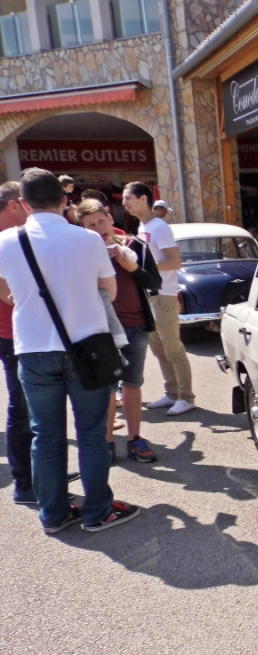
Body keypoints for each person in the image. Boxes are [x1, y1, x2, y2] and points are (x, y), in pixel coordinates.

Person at [0, 168, 139, 533]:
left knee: (45, 434)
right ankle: (97, 511)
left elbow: (6, 292)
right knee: (92, 432)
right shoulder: (87, 241)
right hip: (86, 347)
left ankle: (54, 513)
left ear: (25, 204)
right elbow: (108, 290)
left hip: (32, 349)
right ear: (65, 201)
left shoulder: (6, 241)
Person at [77, 199, 162, 465]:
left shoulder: (135, 245)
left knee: (132, 383)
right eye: (90, 225)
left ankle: (135, 439)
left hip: (136, 324)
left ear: (110, 219)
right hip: (100, 329)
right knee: (107, 387)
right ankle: (108, 442)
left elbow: (155, 283)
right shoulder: (81, 251)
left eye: (101, 221)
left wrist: (132, 268)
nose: (99, 228)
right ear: (83, 230)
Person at [122, 181, 196, 416]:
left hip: (164, 295)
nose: (124, 203)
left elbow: (175, 261)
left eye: (128, 198)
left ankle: (186, 397)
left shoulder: (159, 227)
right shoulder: (143, 226)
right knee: (160, 350)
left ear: (143, 199)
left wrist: (141, 271)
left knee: (173, 349)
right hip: (150, 296)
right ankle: (172, 393)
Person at [0, 181, 35, 504]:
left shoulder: (16, 240)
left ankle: (38, 472)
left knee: (33, 410)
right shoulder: (2, 242)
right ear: (14, 205)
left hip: (23, 334)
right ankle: (24, 482)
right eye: (24, 205)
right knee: (21, 409)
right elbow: (9, 296)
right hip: (12, 336)